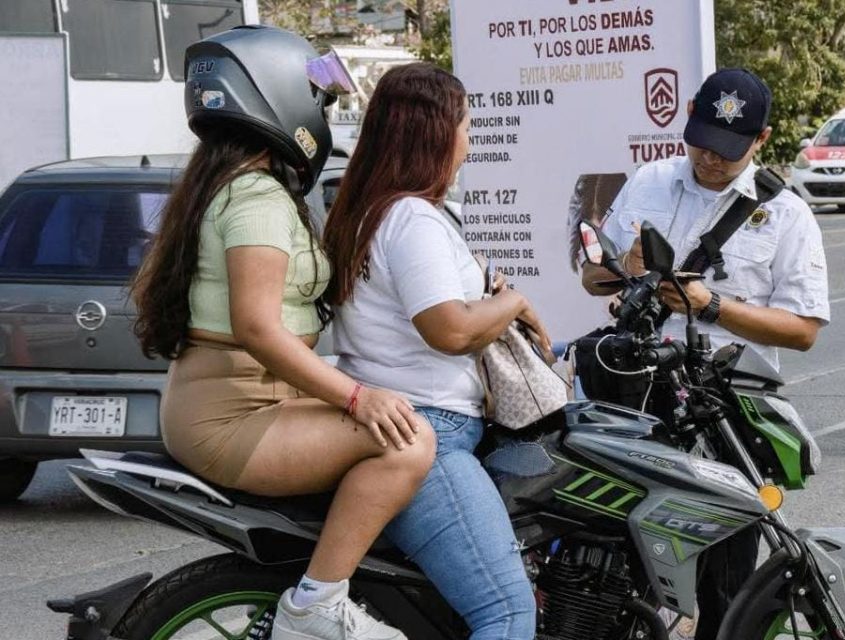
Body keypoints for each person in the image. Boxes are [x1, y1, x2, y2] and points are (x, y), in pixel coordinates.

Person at [131, 25, 433, 640]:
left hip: (241, 401)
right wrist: (357, 396)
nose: (322, 114)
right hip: (237, 415)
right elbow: (258, 329)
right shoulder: (256, 197)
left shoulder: (232, 185)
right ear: (275, 97)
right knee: (408, 443)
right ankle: (316, 605)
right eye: (318, 101)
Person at [580, 68, 829, 640]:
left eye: (727, 150)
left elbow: (803, 330)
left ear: (761, 139)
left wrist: (710, 304)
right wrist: (623, 272)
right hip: (637, 394)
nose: (709, 160)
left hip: (723, 409)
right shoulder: (650, 182)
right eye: (701, 141)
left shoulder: (786, 215)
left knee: (725, 576)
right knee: (615, 559)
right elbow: (594, 276)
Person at [324, 63, 547, 640]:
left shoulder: (365, 212)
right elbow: (448, 329)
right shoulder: (412, 217)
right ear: (435, 133)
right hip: (430, 432)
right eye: (466, 126)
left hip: (400, 419)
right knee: (507, 612)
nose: (469, 143)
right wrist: (515, 300)